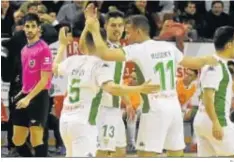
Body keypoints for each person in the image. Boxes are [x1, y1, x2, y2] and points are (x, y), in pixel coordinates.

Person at [86, 10, 218, 157]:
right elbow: (194, 62)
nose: (126, 36)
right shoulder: (168, 47)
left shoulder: (136, 49)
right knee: (176, 153)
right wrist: (210, 59)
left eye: (128, 32)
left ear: (138, 31)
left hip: (154, 107)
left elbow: (104, 54)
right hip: (174, 107)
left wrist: (93, 29)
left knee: (145, 155)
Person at [53, 27, 160, 157]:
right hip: (84, 123)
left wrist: (62, 45)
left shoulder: (73, 60)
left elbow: (54, 67)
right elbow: (113, 89)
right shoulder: (99, 65)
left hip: (65, 122)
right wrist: (139, 88)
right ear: (102, 43)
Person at [80, 10, 129, 157]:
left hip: (115, 108)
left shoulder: (121, 49)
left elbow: (118, 79)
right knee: (101, 152)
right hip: (101, 108)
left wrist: (127, 102)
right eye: (113, 25)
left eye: (120, 25)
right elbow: (83, 47)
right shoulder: (99, 45)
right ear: (105, 26)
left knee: (120, 152)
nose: (117, 29)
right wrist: (88, 24)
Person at [193, 26, 234, 157]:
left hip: (202, 120)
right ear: (229, 45)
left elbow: (221, 87)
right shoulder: (215, 65)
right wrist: (216, 123)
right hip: (217, 120)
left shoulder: (217, 63)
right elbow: (208, 97)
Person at [12, 13, 52, 157]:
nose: (29, 29)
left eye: (33, 26)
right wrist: (22, 93)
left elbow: (44, 80)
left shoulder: (44, 49)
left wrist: (28, 98)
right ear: (23, 28)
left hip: (39, 96)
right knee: (17, 139)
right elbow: (27, 76)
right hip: (25, 94)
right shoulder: (24, 50)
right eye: (27, 26)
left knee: (36, 137)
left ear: (38, 28)